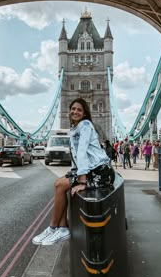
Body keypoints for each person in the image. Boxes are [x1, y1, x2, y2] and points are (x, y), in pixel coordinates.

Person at [32, 98, 114, 246]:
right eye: (73, 109)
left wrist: (82, 181)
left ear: (84, 114)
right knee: (58, 184)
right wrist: (74, 173)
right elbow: (75, 155)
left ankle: (53, 228)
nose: (75, 112)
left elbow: (82, 152)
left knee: (60, 186)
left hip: (100, 171)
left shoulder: (86, 125)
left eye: (79, 110)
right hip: (89, 169)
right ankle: (62, 228)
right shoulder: (74, 129)